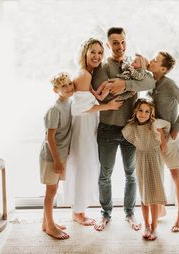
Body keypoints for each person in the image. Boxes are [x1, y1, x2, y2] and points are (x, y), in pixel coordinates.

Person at [91, 27, 156, 231]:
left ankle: (130, 213)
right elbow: (105, 96)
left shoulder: (133, 64)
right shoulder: (102, 66)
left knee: (131, 174)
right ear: (108, 45)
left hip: (131, 129)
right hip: (108, 129)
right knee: (105, 174)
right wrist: (129, 86)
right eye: (115, 43)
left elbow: (149, 80)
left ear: (126, 42)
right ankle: (105, 214)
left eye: (123, 41)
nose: (120, 46)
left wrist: (124, 84)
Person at [63, 38, 123, 226]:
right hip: (83, 126)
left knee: (86, 165)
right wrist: (108, 106)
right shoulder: (84, 75)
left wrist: (98, 95)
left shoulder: (87, 74)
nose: (97, 56)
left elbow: (85, 100)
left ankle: (79, 209)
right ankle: (78, 213)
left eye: (99, 52)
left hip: (88, 125)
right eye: (93, 52)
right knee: (82, 166)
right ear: (85, 53)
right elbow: (78, 109)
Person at [147, 51, 179, 232]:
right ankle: (160, 210)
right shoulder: (149, 83)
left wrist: (174, 131)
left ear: (163, 68)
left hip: (169, 134)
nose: (151, 60)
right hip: (154, 134)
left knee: (175, 175)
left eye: (155, 60)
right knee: (156, 174)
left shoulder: (170, 84)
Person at [122, 98, 170, 240]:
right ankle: (147, 226)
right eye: (140, 110)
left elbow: (163, 146)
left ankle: (155, 227)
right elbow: (128, 134)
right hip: (141, 160)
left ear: (151, 113)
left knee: (154, 195)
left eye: (147, 111)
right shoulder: (132, 127)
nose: (143, 114)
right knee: (144, 196)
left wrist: (159, 133)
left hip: (155, 160)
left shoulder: (155, 125)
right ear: (135, 111)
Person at [39, 72, 74, 240]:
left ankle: (46, 222)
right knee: (51, 191)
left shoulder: (69, 104)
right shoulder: (55, 109)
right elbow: (49, 137)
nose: (68, 87)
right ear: (56, 90)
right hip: (51, 157)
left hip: (60, 155)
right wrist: (57, 161)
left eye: (69, 83)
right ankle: (50, 226)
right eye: (63, 86)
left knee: (54, 188)